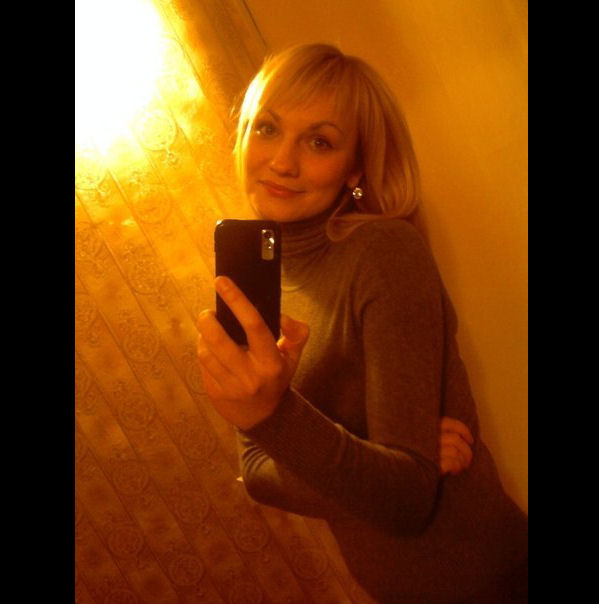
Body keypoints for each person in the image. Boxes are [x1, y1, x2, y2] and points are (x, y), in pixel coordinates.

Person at [197, 44, 527, 603]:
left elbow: (403, 503)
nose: (282, 162)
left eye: (319, 142)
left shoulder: (381, 251)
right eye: (268, 129)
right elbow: (255, 472)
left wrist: (276, 417)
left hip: (489, 582)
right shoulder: (253, 281)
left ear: (354, 168)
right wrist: (382, 462)